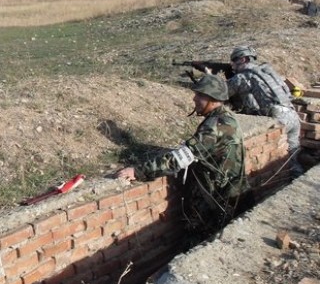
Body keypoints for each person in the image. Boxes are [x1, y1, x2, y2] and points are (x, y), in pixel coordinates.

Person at [117, 75, 246, 238]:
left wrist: (139, 171)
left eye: (200, 95)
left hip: (217, 200)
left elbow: (179, 159)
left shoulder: (215, 126)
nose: (194, 98)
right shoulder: (226, 118)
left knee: (200, 243)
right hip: (228, 194)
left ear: (212, 98)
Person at [226, 45, 303, 177]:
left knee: (271, 161)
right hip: (293, 115)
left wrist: (210, 78)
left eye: (234, 60)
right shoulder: (266, 71)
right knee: (292, 154)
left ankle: (278, 183)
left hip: (279, 117)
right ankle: (296, 177)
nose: (232, 65)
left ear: (243, 59)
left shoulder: (245, 76)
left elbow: (222, 92)